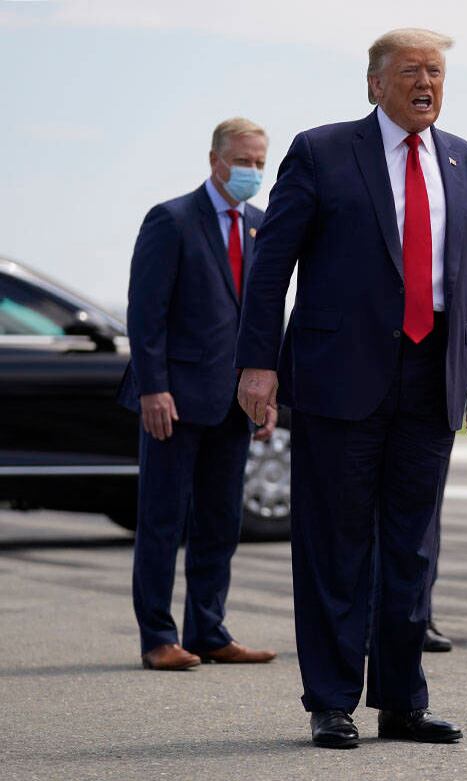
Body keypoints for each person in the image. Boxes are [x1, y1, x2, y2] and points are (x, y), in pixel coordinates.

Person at [234, 28, 467, 748]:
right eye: (413, 71)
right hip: (338, 377)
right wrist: (259, 362)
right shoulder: (322, 151)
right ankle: (330, 698)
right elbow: (273, 266)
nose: (427, 83)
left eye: (437, 72)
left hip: (432, 376)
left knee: (412, 549)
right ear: (375, 84)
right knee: (335, 542)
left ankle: (402, 699)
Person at [118, 118, 278, 671]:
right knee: (163, 520)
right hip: (175, 401)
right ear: (215, 161)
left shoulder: (261, 225)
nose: (252, 171)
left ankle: (208, 630)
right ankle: (159, 637)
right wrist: (153, 389)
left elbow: (263, 318)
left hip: (233, 403)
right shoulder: (172, 220)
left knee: (220, 520)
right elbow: (146, 315)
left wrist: (266, 390)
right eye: (244, 161)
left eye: (260, 162)